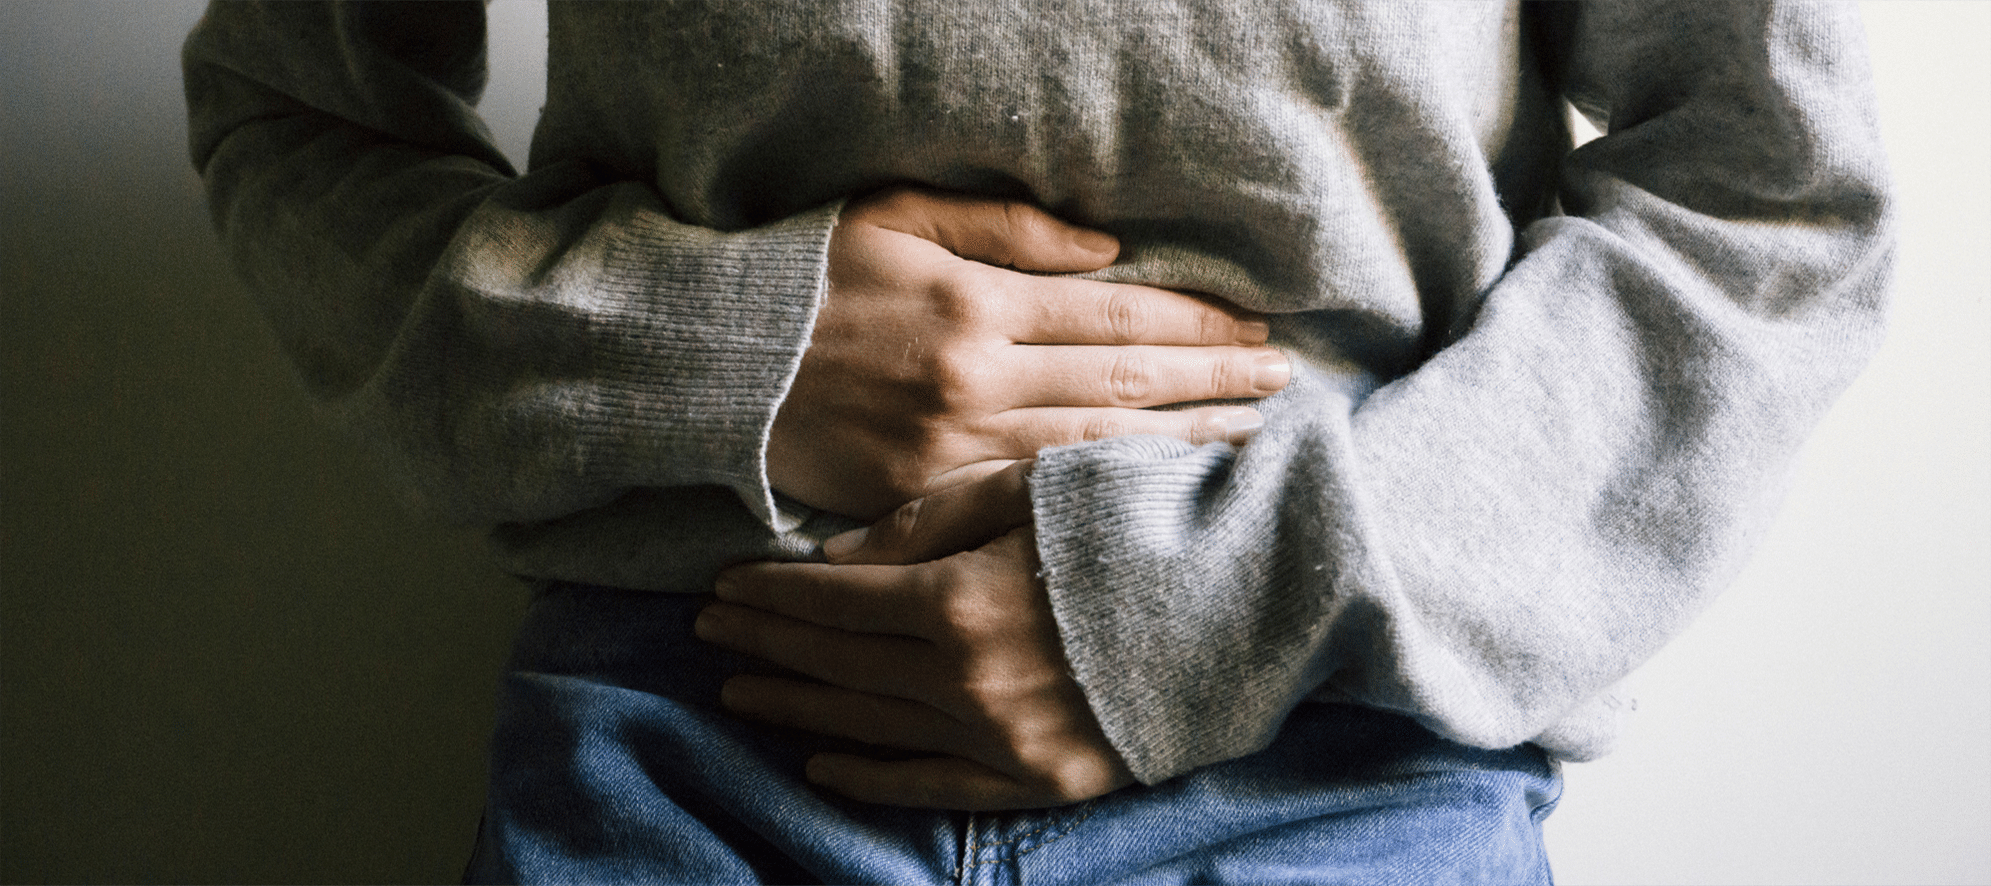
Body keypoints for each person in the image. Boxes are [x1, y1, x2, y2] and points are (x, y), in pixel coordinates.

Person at [183, 1, 1892, 882]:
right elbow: (296, 116)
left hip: (1332, 770)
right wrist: (703, 352)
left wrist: (1213, 606)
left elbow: (1769, 199)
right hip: (683, 756)